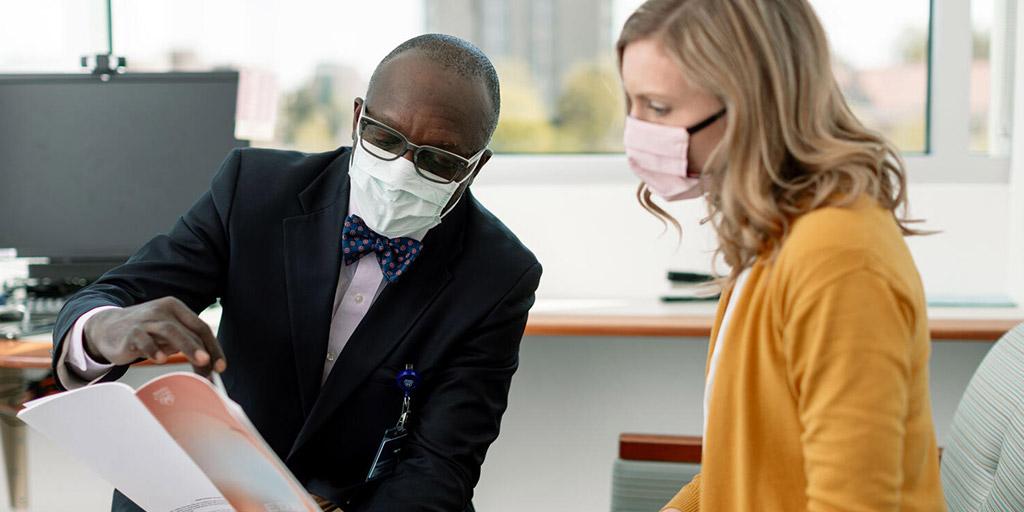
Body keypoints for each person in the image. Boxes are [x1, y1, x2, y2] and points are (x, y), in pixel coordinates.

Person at [51, 34, 542, 512]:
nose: (399, 171)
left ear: (475, 167)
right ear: (357, 119)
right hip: (203, 492)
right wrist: (100, 329)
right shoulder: (254, 189)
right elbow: (119, 294)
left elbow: (440, 464)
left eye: (437, 160)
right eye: (384, 137)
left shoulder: (498, 277)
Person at [617, 1, 945, 511]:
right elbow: (746, 467)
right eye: (631, 104)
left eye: (657, 108)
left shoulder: (838, 257)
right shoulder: (773, 240)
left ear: (753, 104)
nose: (635, 130)